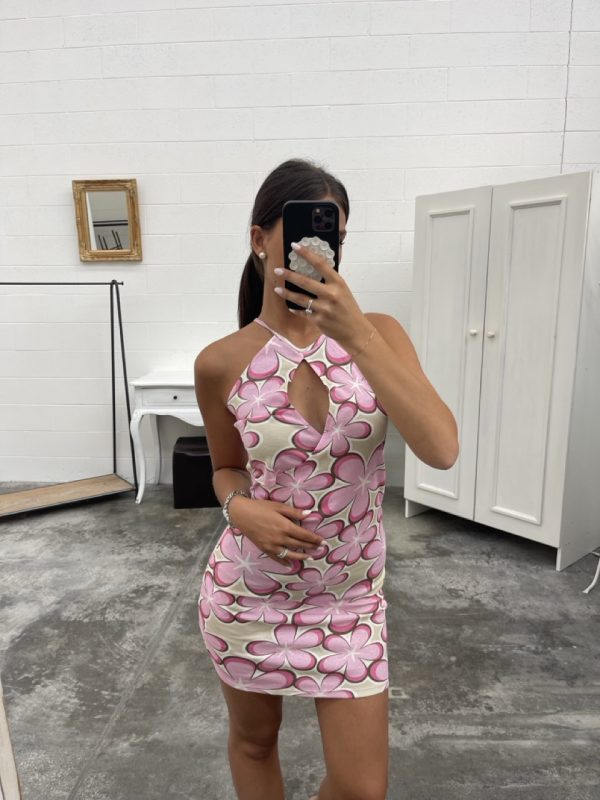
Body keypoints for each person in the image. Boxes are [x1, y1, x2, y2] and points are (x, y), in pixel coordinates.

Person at [194, 158, 459, 800]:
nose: (319, 252)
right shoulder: (221, 362)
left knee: (362, 788)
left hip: (350, 601)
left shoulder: (379, 336)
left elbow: (442, 448)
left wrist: (355, 334)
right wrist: (238, 508)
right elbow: (225, 468)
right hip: (249, 596)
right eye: (305, 234)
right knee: (255, 743)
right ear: (260, 239)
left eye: (333, 237)